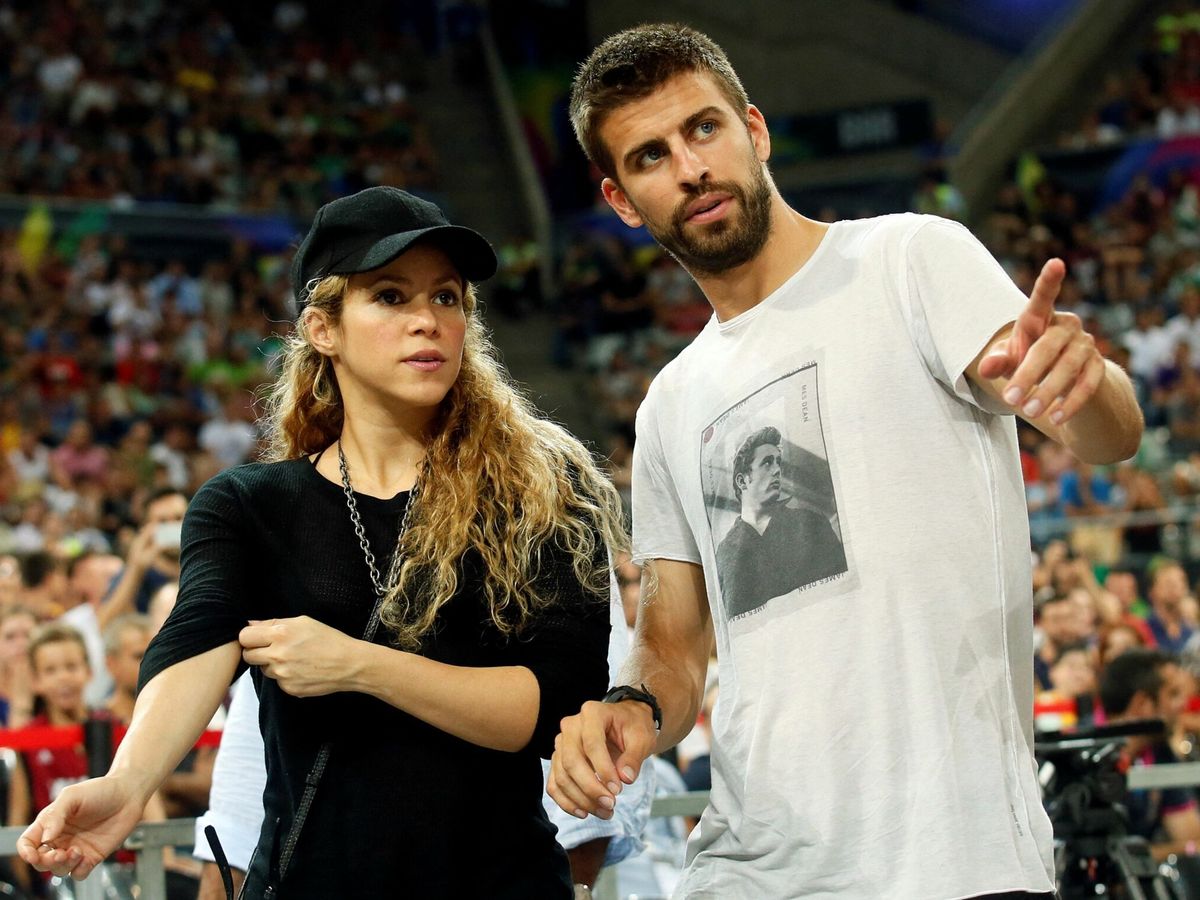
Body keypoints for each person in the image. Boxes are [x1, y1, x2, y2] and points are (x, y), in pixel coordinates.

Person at [548, 24, 1143, 900]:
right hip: (750, 866)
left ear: (754, 131)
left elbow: (1107, 433)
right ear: (622, 199)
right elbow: (671, 645)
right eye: (651, 155)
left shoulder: (909, 260)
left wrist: (1086, 386)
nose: (690, 167)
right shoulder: (669, 404)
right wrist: (630, 706)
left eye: (704, 129)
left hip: (952, 856)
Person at [18, 186, 627, 898]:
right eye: (391, 297)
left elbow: (550, 703)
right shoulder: (249, 505)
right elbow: (196, 643)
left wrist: (360, 666)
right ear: (323, 327)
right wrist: (127, 783)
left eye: (447, 298)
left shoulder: (542, 490)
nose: (427, 321)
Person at [715, 424, 845, 617]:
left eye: (778, 462)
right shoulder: (725, 554)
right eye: (767, 462)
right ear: (742, 481)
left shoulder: (812, 524)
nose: (777, 470)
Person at [1099, 647, 1200, 859]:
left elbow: (1192, 839)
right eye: (1172, 694)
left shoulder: (1160, 753)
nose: (1182, 705)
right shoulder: (1087, 760)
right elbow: (1100, 861)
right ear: (1143, 704)